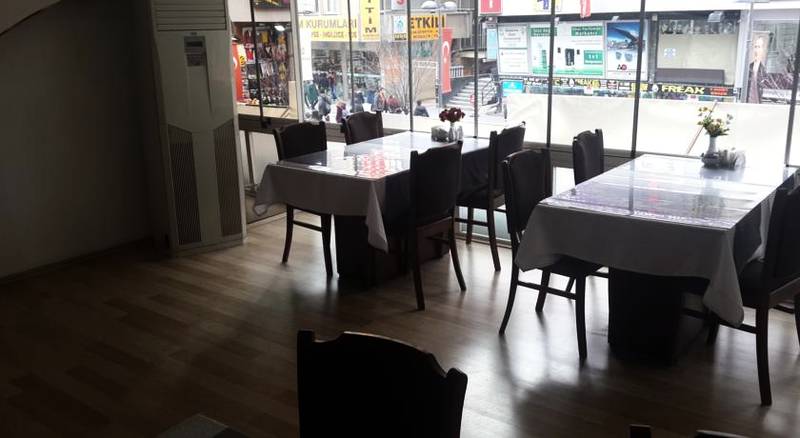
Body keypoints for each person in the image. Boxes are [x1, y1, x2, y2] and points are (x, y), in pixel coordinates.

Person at [747, 33, 769, 104]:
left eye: (759, 47)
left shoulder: (764, 70)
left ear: (763, 49)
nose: (756, 50)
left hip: (758, 104)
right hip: (747, 103)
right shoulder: (748, 67)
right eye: (755, 47)